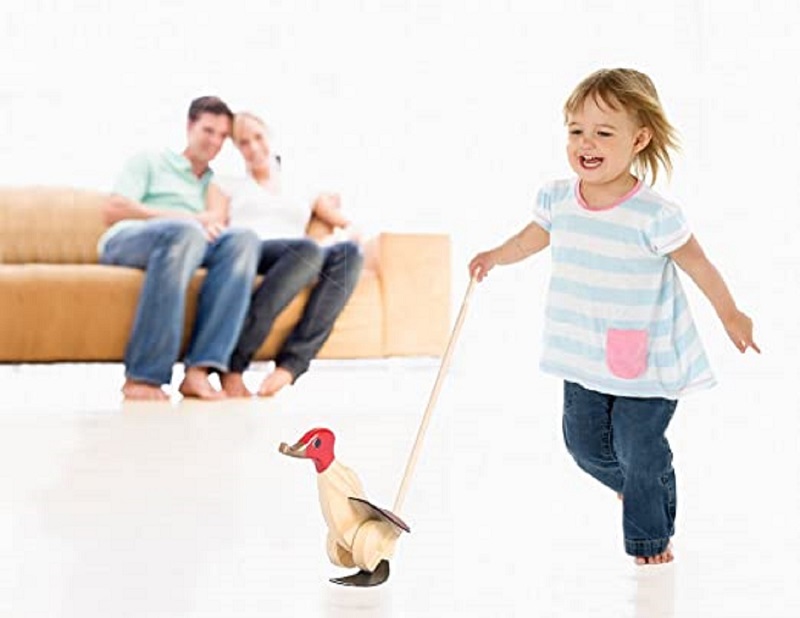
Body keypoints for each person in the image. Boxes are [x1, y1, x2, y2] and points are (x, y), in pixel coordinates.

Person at [469, 68, 759, 565]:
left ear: (638, 140)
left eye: (604, 133)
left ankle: (650, 536)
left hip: (646, 357)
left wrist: (731, 314)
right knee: (584, 447)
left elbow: (699, 265)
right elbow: (528, 240)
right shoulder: (557, 199)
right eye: (576, 130)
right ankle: (642, 486)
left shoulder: (655, 215)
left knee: (638, 446)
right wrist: (495, 256)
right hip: (582, 351)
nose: (587, 143)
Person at [98, 96, 260, 401]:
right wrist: (189, 220)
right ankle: (144, 376)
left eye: (222, 136)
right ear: (189, 126)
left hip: (189, 246)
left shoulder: (216, 184)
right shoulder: (151, 161)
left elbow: (218, 222)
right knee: (186, 233)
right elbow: (114, 209)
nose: (215, 141)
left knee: (244, 240)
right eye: (208, 131)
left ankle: (200, 370)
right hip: (130, 240)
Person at [214, 112, 364, 397]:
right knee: (307, 249)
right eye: (244, 142)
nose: (254, 147)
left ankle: (292, 364)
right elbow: (215, 224)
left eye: (258, 137)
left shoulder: (302, 187)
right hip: (253, 251)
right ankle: (234, 364)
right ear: (236, 148)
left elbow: (347, 225)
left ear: (270, 136)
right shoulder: (228, 185)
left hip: (299, 258)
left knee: (350, 254)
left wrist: (345, 233)